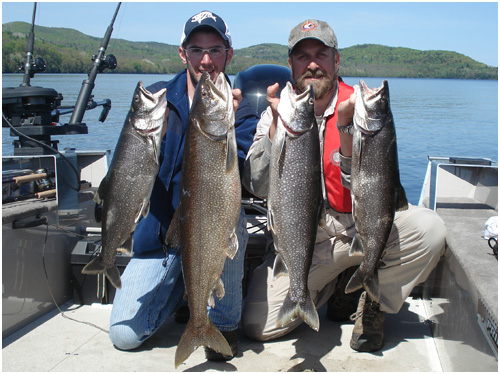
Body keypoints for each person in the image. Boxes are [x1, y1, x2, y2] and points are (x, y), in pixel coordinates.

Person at [241, 19, 447, 352]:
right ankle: (330, 288)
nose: (312, 64)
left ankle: (375, 301)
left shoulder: (363, 109)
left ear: (337, 61)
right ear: (291, 64)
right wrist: (274, 132)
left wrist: (349, 131)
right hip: (308, 243)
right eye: (302, 56)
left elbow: (375, 186)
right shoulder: (277, 110)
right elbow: (259, 185)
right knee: (257, 327)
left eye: (321, 55)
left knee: (430, 229)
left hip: (358, 227)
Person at [108, 10, 258, 361]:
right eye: (196, 50)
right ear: (182, 53)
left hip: (211, 231)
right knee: (125, 336)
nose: (206, 60)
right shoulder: (155, 103)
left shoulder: (243, 109)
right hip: (164, 236)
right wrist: (150, 141)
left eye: (215, 50)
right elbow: (127, 170)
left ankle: (221, 324)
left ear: (229, 54)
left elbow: (249, 174)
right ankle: (183, 291)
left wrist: (236, 127)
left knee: (232, 219)